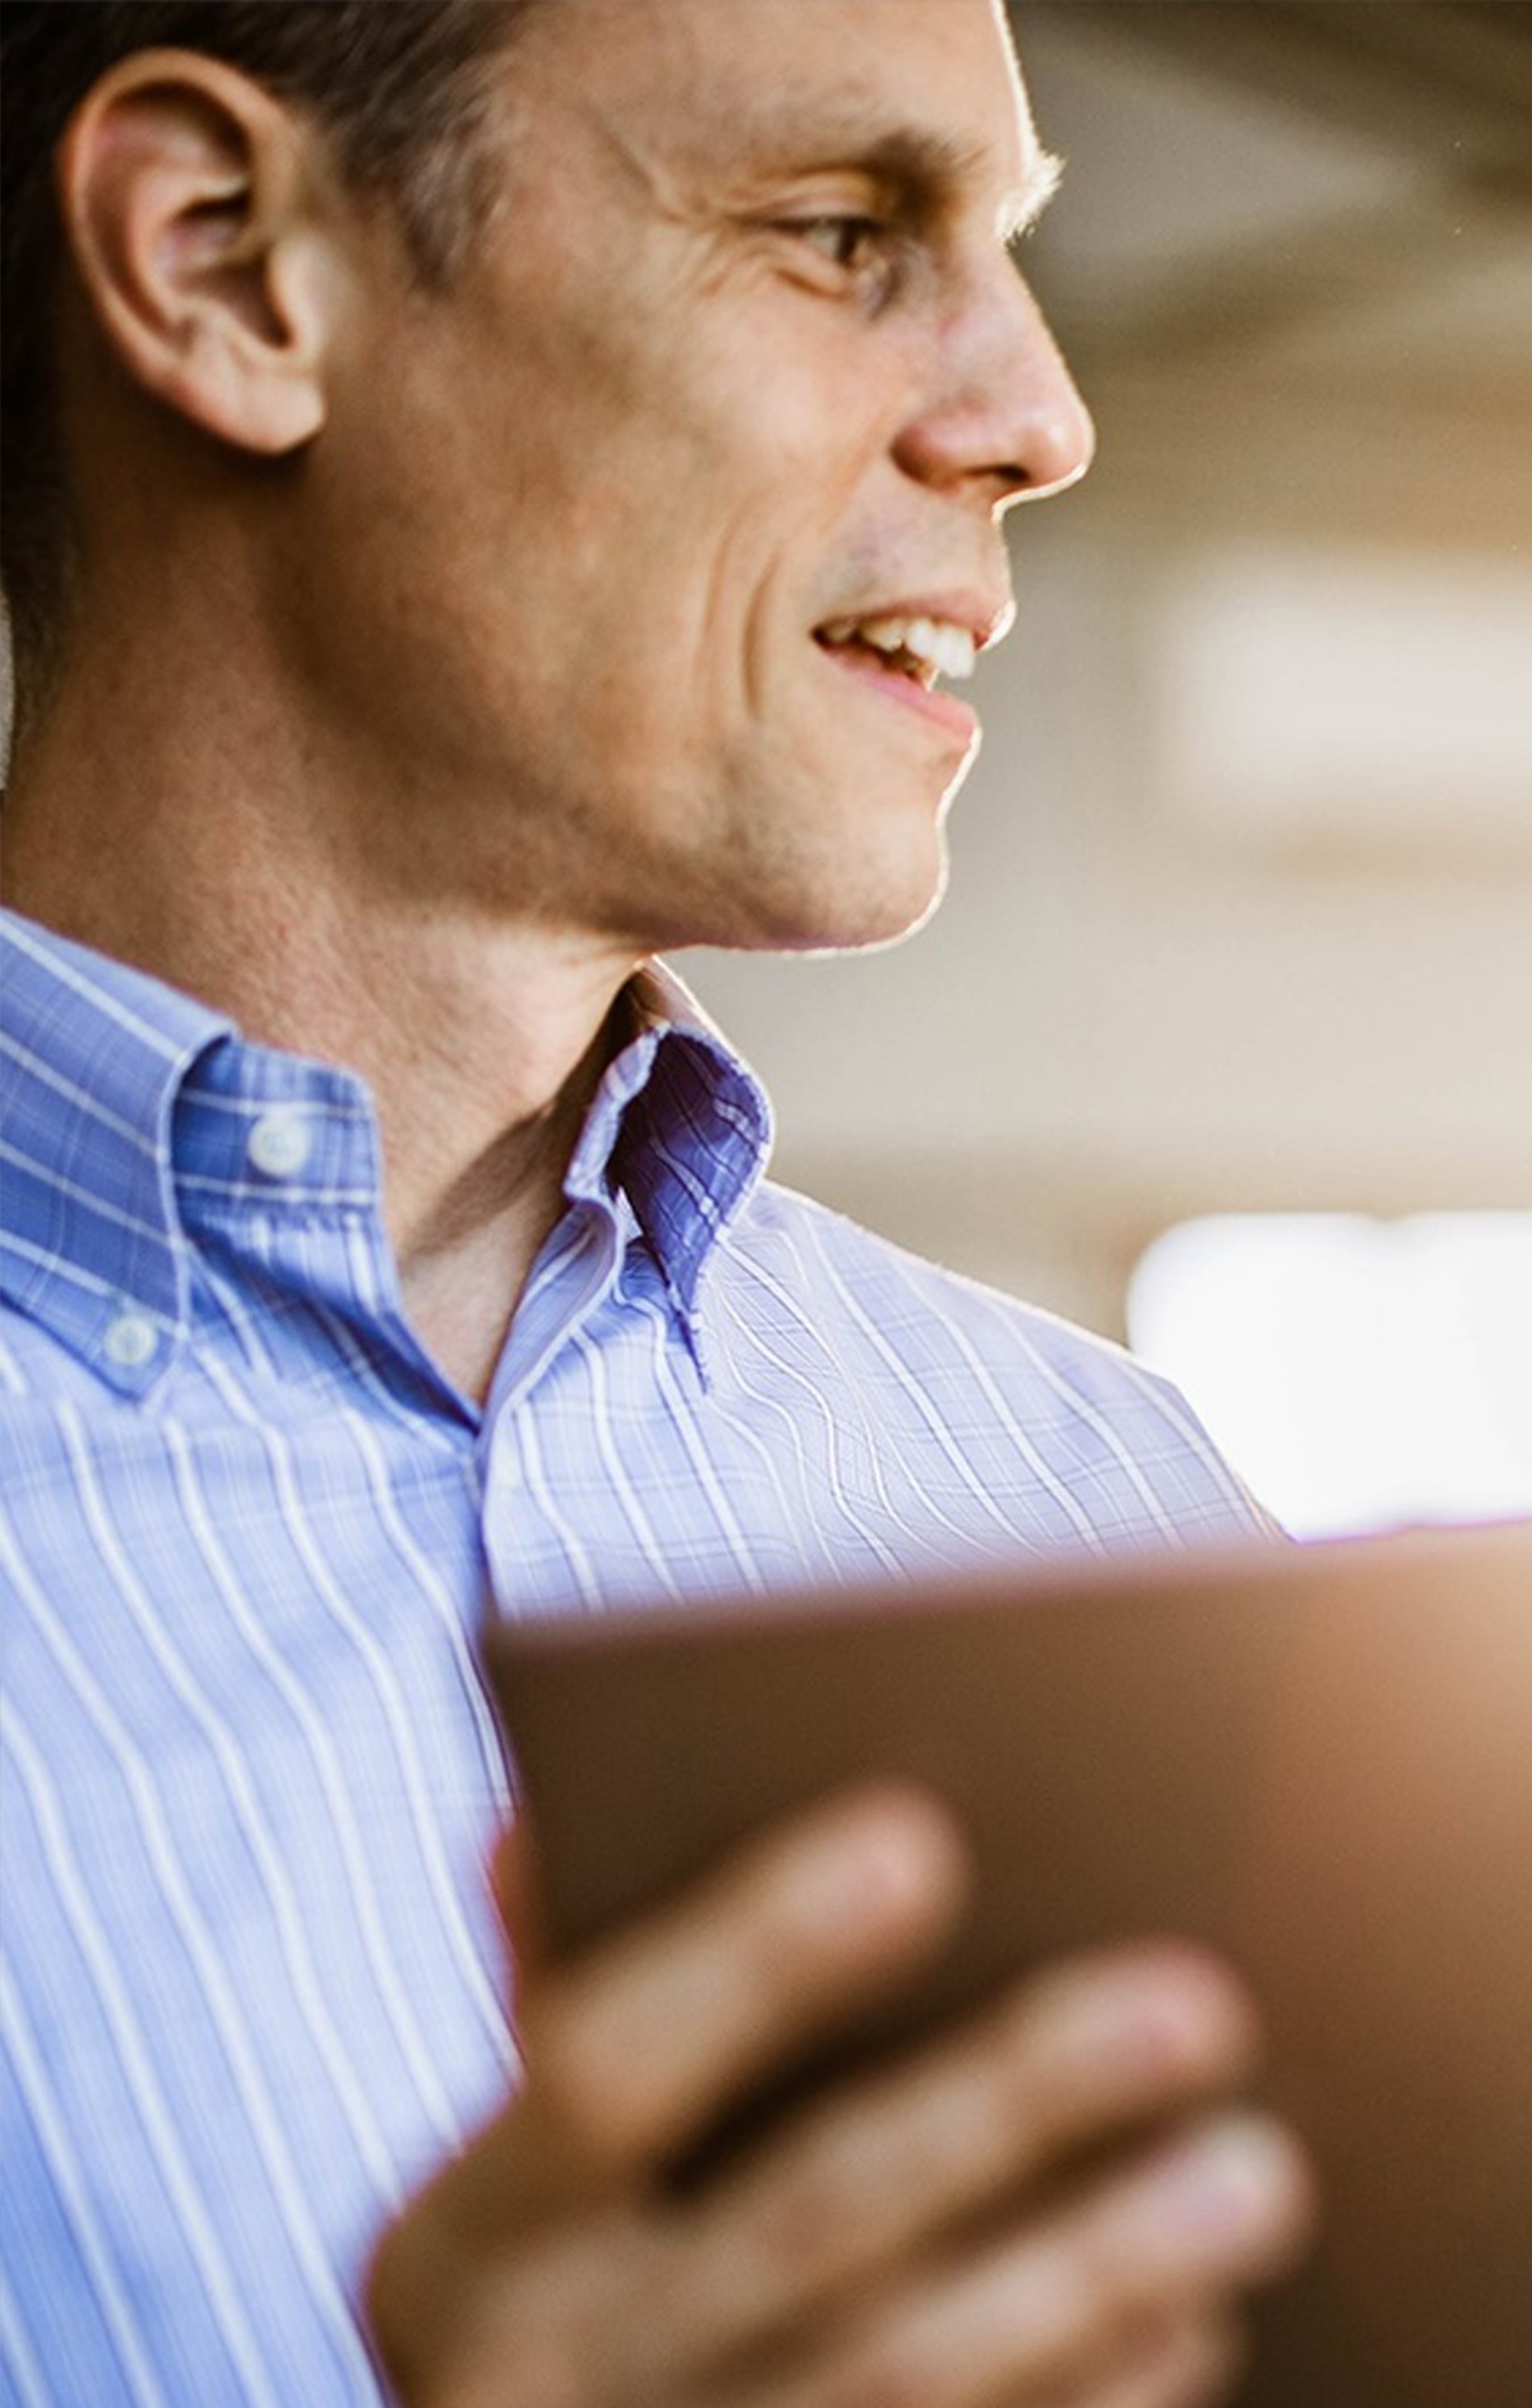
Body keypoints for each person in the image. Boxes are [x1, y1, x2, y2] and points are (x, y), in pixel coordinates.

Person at [0, 2, 1315, 2399]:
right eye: (841, 233)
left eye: (998, 250)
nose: (1040, 415)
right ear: (224, 267)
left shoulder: (1110, 1503)